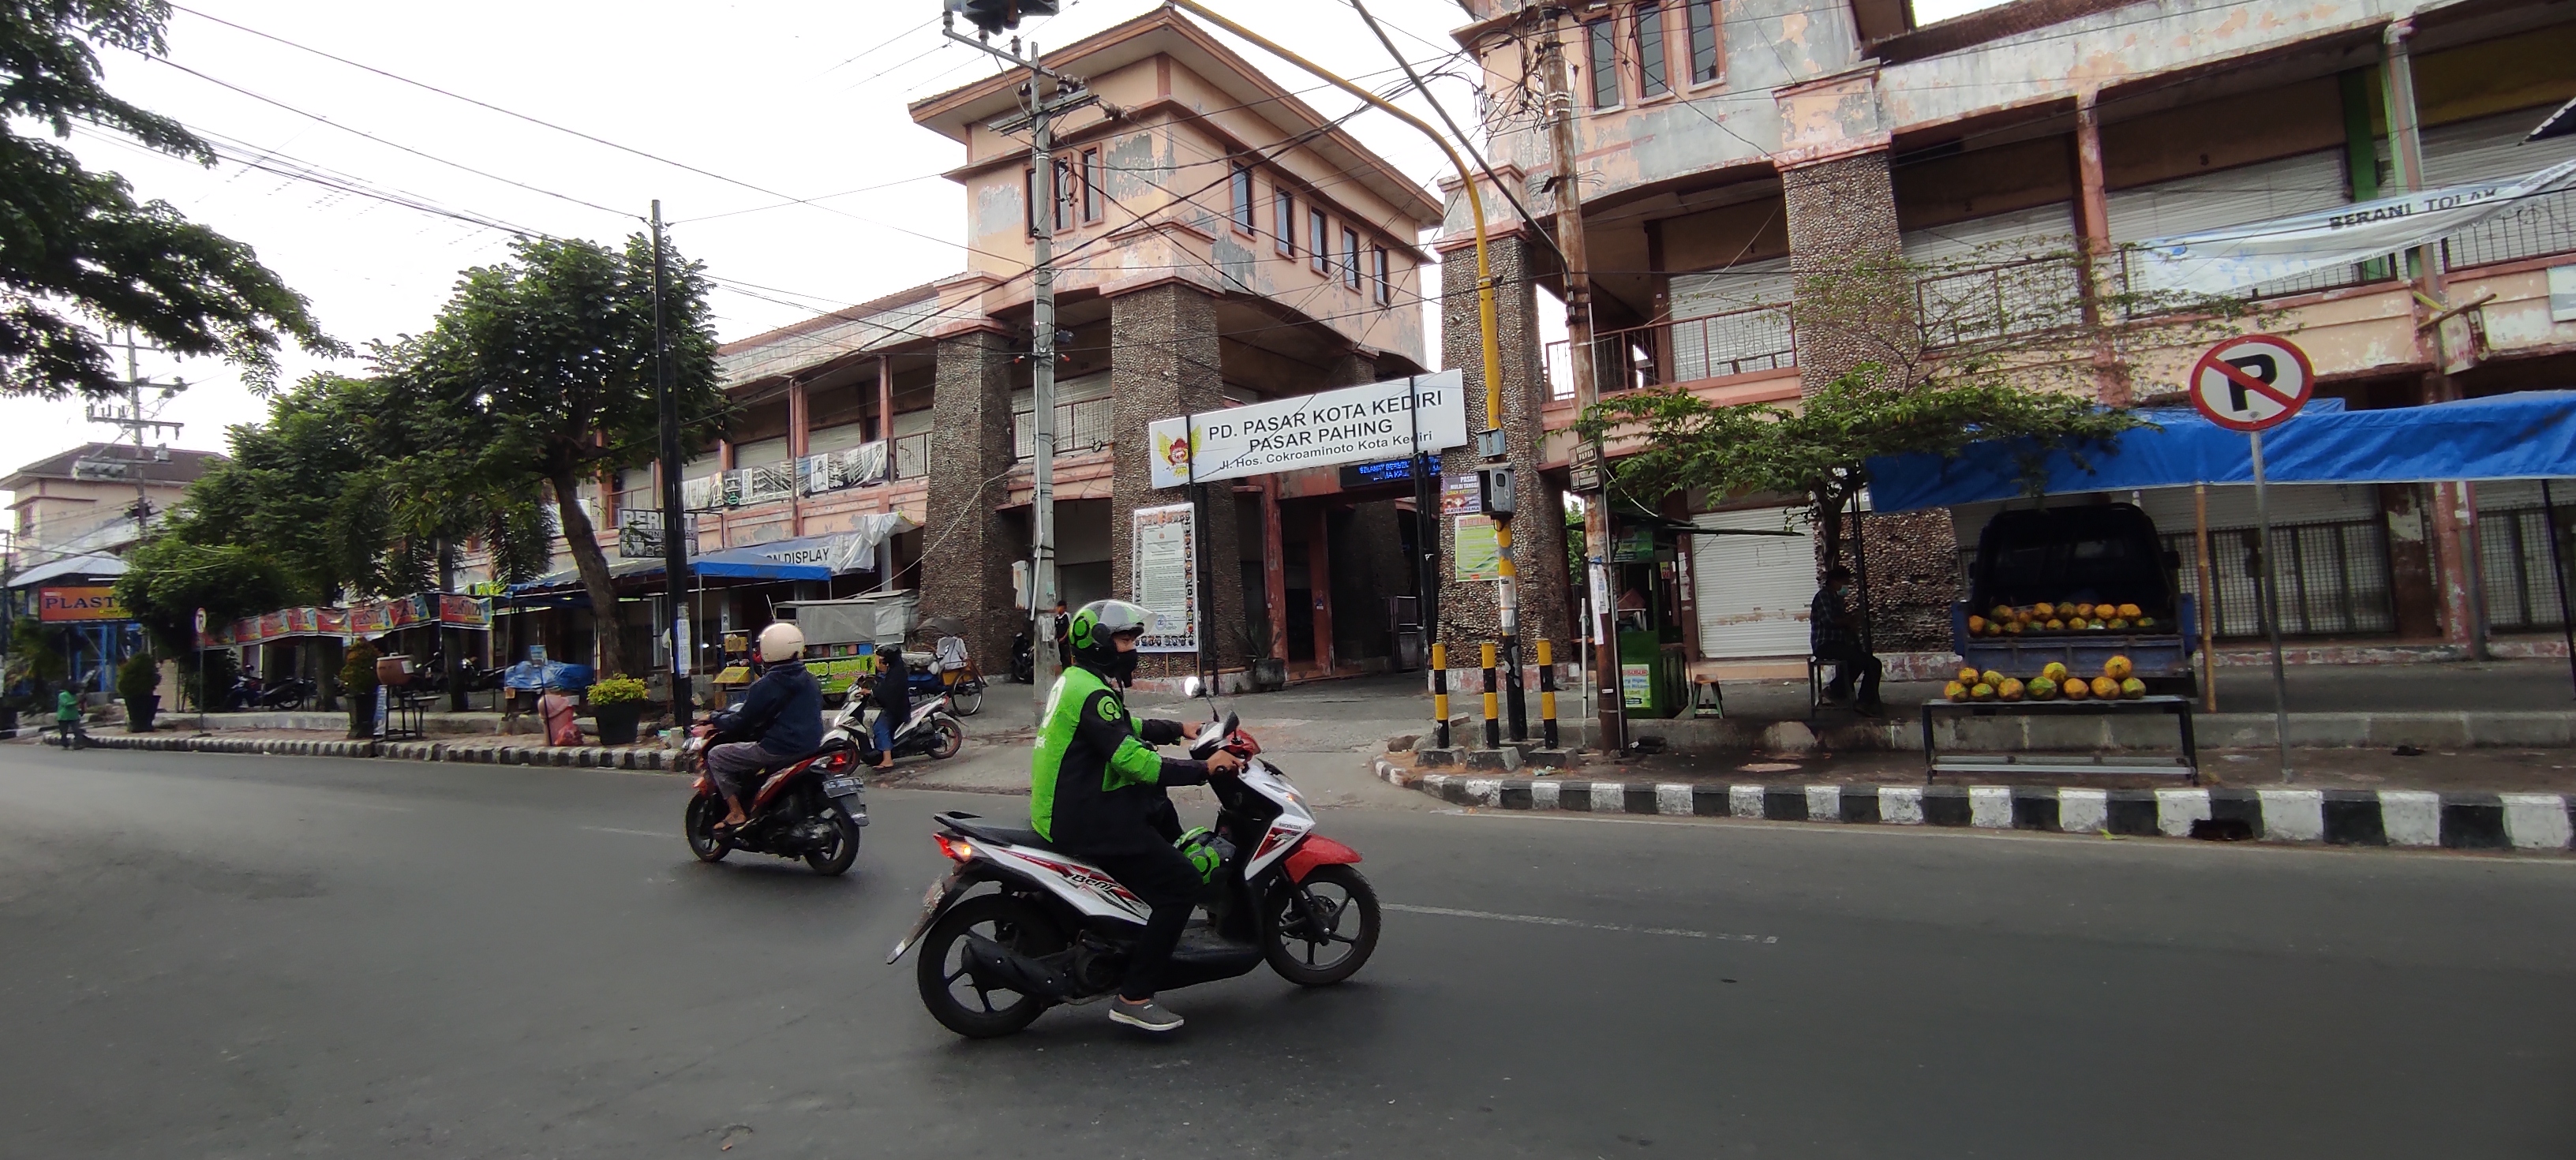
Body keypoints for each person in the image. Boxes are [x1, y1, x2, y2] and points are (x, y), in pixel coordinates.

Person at [1030, 599, 1243, 1034]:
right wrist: (1205, 768)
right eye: (1125, 641)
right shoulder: (1092, 691)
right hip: (1086, 817)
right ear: (1102, 645)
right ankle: (1135, 996)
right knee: (1181, 884)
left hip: (1069, 806)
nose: (1132, 650)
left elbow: (1124, 726)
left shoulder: (1079, 681)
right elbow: (1134, 761)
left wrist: (1178, 729)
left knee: (1157, 809)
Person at [697, 623, 822, 830]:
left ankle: (737, 813)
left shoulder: (767, 685)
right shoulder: (810, 680)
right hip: (811, 747)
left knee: (717, 755)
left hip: (778, 749)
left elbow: (743, 721)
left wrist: (715, 718)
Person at [1811, 565, 1885, 715]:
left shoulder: (1837, 599)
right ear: (1834, 581)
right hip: (1826, 644)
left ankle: (1836, 690)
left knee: (1864, 661)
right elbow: (1829, 621)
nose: (1847, 586)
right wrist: (1848, 621)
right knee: (1869, 663)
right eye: (1845, 582)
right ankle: (1863, 701)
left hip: (1838, 643)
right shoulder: (1824, 596)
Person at [868, 635, 911, 771]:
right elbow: (885, 685)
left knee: (880, 727)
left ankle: (888, 760)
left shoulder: (897, 673)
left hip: (897, 710)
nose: (881, 659)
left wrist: (872, 692)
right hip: (895, 707)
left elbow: (888, 692)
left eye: (884, 657)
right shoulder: (894, 669)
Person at [53, 685, 82, 749]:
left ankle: (78, 743)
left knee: (77, 730)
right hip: (64, 716)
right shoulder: (63, 695)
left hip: (74, 715)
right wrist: (77, 702)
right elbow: (66, 704)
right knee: (64, 732)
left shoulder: (75, 695)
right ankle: (64, 743)